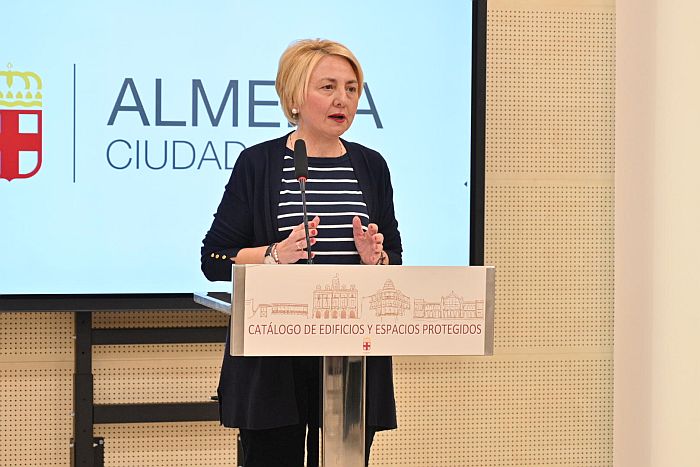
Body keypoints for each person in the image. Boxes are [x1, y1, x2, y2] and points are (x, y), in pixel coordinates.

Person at [201, 39, 402, 467]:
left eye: (351, 88)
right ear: (294, 96)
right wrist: (274, 254)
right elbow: (214, 258)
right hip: (275, 362)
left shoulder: (372, 166)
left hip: (352, 359)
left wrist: (376, 260)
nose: (342, 99)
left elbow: (394, 260)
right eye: (328, 87)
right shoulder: (258, 163)